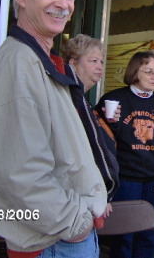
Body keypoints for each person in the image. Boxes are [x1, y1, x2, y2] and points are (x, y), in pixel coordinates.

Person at [0, 0, 107, 258]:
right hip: (54, 242)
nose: (62, 4)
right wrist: (76, 223)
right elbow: (20, 173)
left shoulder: (38, 60)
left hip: (58, 237)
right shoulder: (17, 65)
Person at [96, 51, 154, 258]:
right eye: (148, 71)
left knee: (149, 237)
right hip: (124, 181)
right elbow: (99, 143)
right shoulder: (113, 100)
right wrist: (110, 123)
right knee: (122, 239)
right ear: (135, 72)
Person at [62, 34, 120, 203]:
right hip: (76, 199)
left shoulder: (83, 102)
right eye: (93, 61)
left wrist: (109, 123)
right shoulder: (68, 100)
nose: (99, 67)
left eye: (101, 62)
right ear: (73, 64)